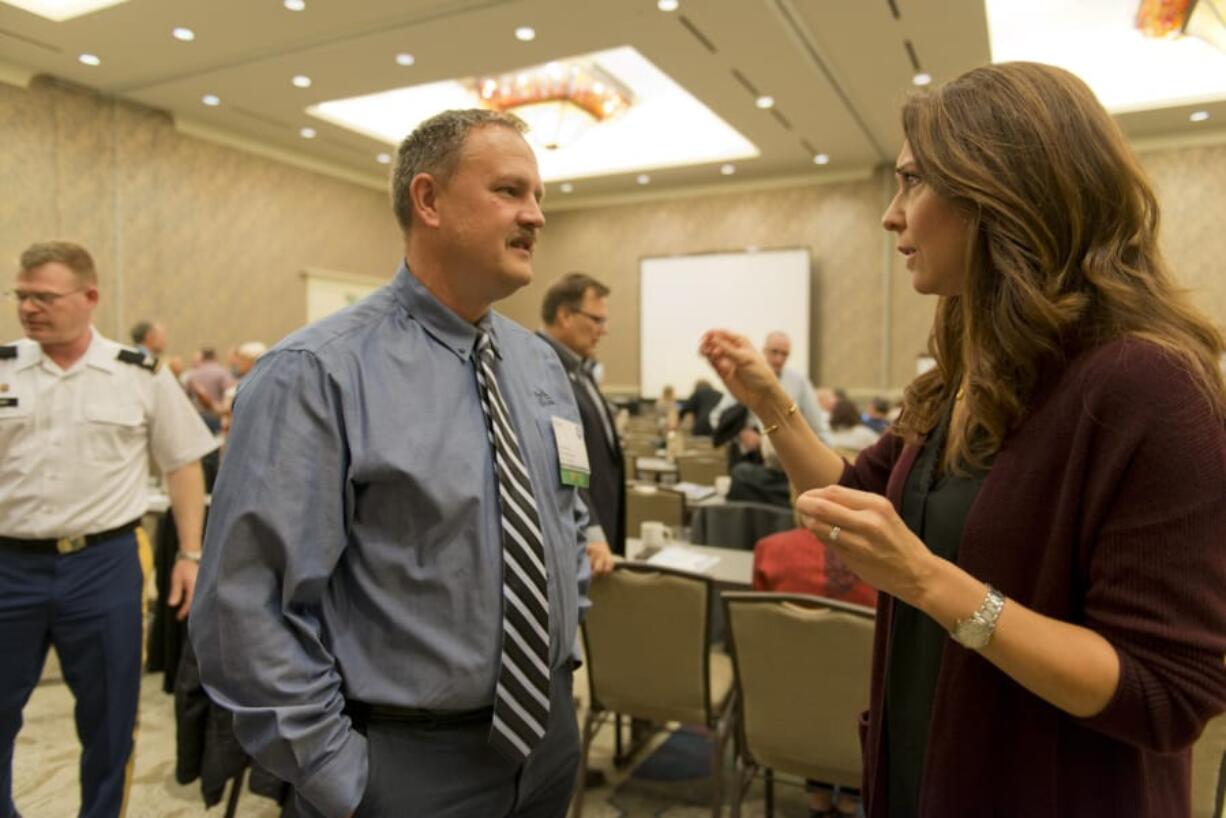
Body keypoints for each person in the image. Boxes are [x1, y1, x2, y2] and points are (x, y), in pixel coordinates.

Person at [701, 62, 1226, 817]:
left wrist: (931, 582)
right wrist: (770, 402)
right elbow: (843, 505)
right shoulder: (972, 372)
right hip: (926, 767)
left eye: (913, 181)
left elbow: (1167, 692)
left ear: (1000, 193)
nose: (892, 214)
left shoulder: (1146, 384)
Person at [190, 109, 591, 818]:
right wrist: (344, 776)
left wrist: (565, 637)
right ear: (428, 200)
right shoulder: (314, 373)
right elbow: (244, 608)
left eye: (539, 195)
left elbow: (567, 506)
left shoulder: (541, 366)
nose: (537, 215)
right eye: (509, 191)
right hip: (406, 764)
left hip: (549, 739)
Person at [0, 241, 216, 818]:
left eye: (43, 297)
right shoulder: (2, 366)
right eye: (21, 296)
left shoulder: (138, 374)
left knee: (110, 719)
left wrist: (190, 554)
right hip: (8, 565)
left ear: (89, 297)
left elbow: (183, 463)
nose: (28, 308)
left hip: (103, 565)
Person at [538, 272, 622, 575]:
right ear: (565, 316)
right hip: (578, 540)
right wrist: (592, 531)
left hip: (598, 529)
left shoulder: (577, 366)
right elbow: (563, 457)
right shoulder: (542, 366)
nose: (603, 330)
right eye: (596, 320)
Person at [711, 332, 829, 506]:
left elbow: (818, 427)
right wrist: (741, 434)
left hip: (784, 466)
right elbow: (716, 417)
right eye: (774, 352)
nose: (779, 358)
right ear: (763, 351)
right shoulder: (743, 377)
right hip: (750, 459)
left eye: (784, 354)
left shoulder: (799, 382)